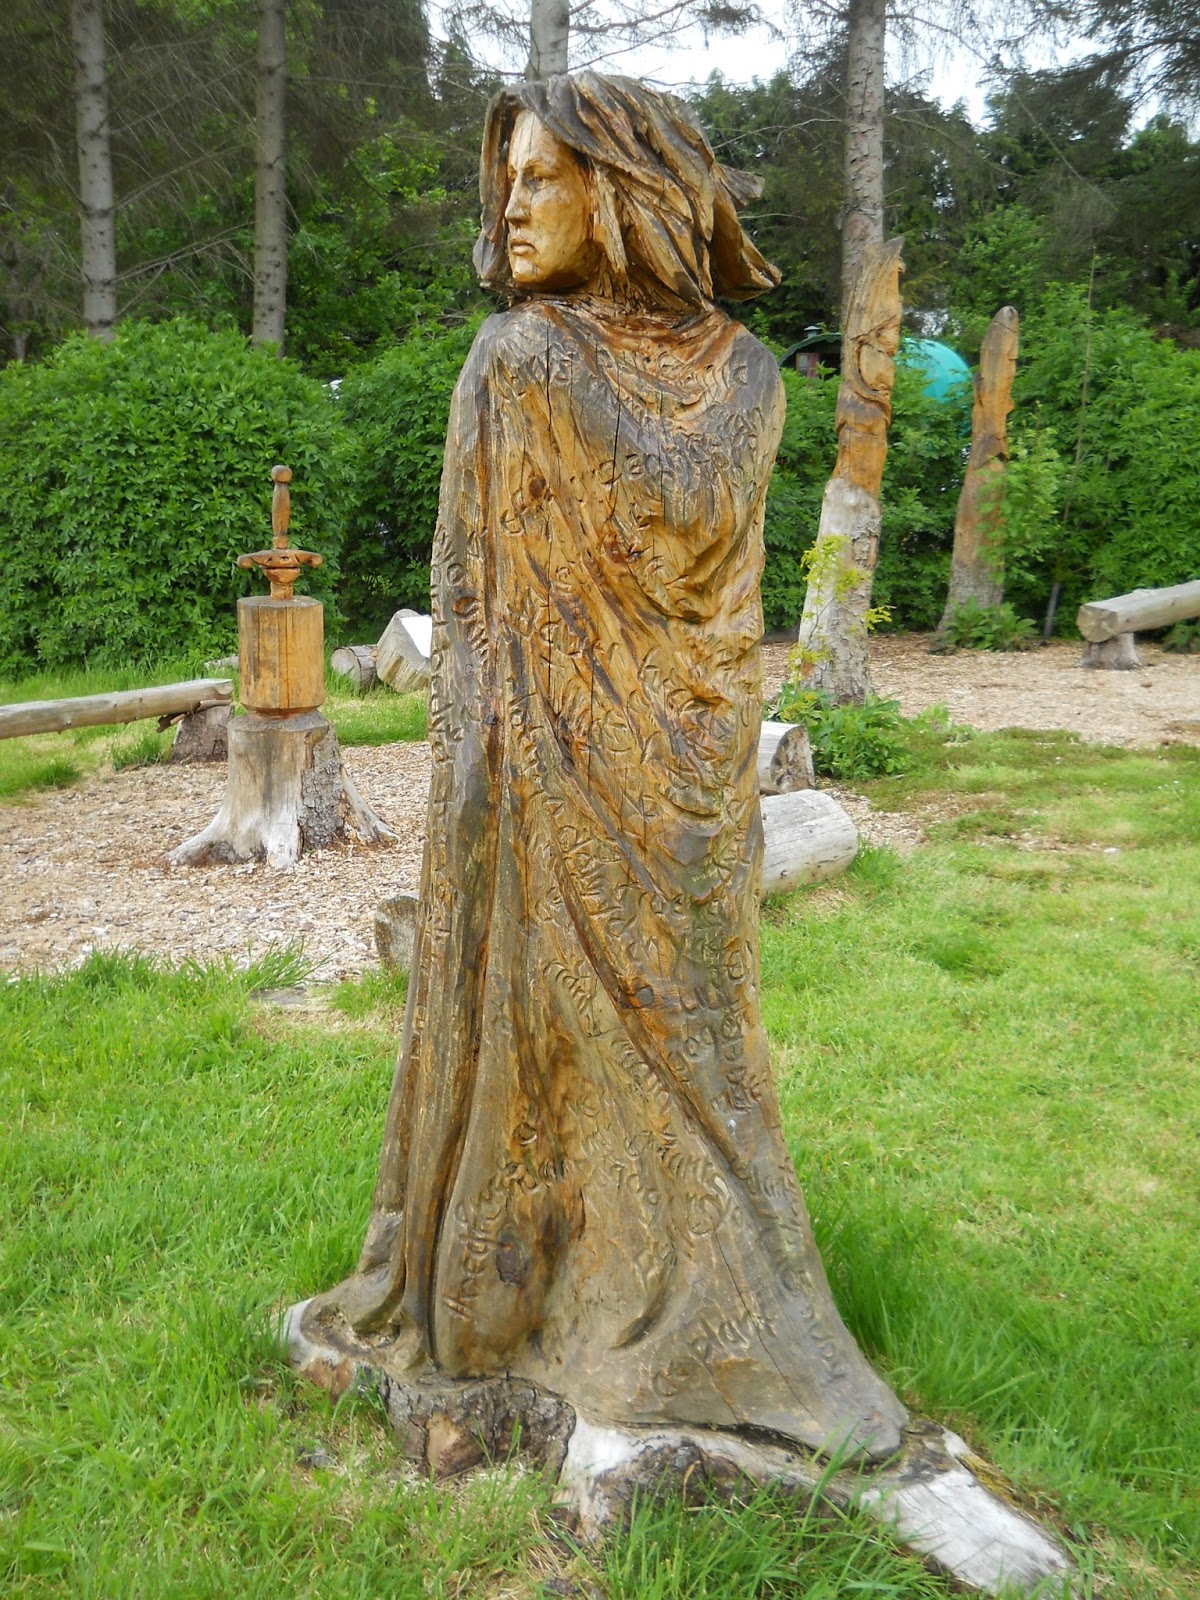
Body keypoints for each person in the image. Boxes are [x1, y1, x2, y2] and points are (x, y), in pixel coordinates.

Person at [301, 71, 906, 1462]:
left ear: (625, 191)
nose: (510, 207)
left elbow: (693, 520)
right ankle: (515, 1289)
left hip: (678, 762)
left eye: (541, 179)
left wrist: (566, 378)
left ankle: (721, 1307)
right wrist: (463, 755)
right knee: (537, 1023)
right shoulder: (507, 357)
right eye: (503, 183)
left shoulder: (738, 372)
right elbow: (462, 572)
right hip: (526, 762)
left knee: (690, 1040)